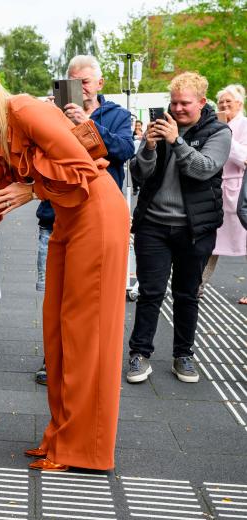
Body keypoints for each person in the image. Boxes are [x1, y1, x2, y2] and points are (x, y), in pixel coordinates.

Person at [0, 59, 130, 472]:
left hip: (96, 216)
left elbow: (78, 167)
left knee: (85, 333)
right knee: (58, 331)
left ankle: (84, 448)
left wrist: (32, 189)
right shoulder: (0, 127)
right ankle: (63, 435)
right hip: (68, 219)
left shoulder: (26, 110)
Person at [34, 54, 134, 385]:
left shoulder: (117, 114)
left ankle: (86, 365)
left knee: (88, 297)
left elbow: (123, 150)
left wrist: (87, 126)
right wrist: (51, 119)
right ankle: (53, 359)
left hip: (96, 218)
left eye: (84, 82)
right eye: (71, 82)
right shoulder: (52, 115)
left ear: (100, 84)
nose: (77, 89)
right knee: (54, 294)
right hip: (55, 213)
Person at [126, 72, 232, 385]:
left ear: (202, 102)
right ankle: (139, 353)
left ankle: (183, 354)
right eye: (173, 102)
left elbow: (204, 169)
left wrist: (177, 140)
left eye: (184, 103)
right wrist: (147, 147)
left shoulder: (218, 132)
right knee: (150, 293)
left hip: (194, 229)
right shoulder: (162, 126)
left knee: (187, 295)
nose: (178, 108)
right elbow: (139, 174)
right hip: (154, 225)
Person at [199, 85, 247, 303]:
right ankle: (197, 285)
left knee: (245, 242)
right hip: (216, 191)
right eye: (221, 102)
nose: (225, 105)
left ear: (240, 103)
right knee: (211, 242)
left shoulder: (244, 125)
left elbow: (244, 158)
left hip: (240, 193)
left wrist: (226, 133)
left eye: (229, 101)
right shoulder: (214, 126)